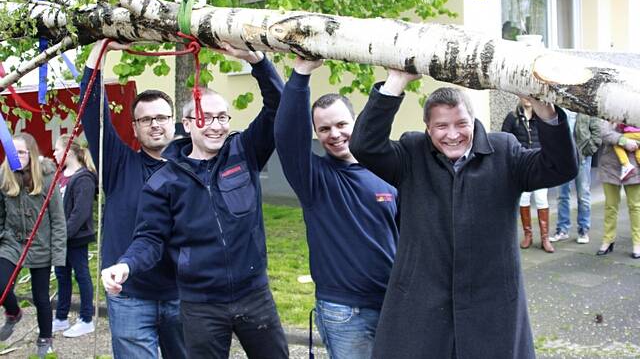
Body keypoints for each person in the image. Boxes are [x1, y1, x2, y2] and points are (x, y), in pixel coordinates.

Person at [349, 68, 578, 359]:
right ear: (428, 129)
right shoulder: (412, 153)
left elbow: (561, 167)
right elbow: (363, 146)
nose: (453, 134)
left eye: (461, 123)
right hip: (421, 307)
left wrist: (544, 109)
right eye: (442, 126)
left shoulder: (504, 151)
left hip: (492, 307)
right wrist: (396, 81)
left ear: (474, 121)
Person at [101, 44, 289, 359]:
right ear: (186, 124)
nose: (216, 126)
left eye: (222, 117)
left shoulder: (244, 152)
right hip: (200, 305)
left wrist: (258, 62)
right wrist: (126, 264)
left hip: (254, 294)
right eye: (205, 117)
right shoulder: (163, 180)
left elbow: (279, 105)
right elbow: (150, 237)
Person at [273, 57, 398, 359]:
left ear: (356, 123)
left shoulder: (390, 170)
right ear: (315, 133)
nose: (335, 134)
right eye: (324, 128)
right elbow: (288, 134)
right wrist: (301, 75)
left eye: (342, 124)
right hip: (346, 311)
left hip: (394, 303)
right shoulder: (314, 179)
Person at [81, 40, 186, 358]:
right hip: (129, 295)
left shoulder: (193, 171)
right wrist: (98, 54)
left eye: (162, 117)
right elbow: (91, 110)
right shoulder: (119, 164)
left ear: (173, 122)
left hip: (182, 294)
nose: (155, 124)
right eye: (146, 119)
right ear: (135, 127)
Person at [0, 133, 66, 357]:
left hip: (40, 245)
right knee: (2, 284)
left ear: (31, 154)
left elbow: (58, 220)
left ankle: (45, 337)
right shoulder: (3, 176)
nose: (16, 157)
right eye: (13, 152)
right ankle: (13, 312)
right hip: (11, 242)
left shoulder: (48, 177)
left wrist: (58, 257)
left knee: (40, 297)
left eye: (21, 152)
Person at [51, 134, 97, 337]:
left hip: (76, 238)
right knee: (62, 276)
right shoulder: (60, 174)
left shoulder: (84, 177)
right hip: (60, 238)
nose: (54, 153)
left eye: (57, 149)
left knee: (81, 275)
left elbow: (80, 213)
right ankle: (61, 317)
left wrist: (63, 234)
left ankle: (87, 319)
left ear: (68, 151)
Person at [501, 97, 554, 253]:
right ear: (519, 97)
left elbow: (550, 138)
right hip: (521, 165)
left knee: (541, 199)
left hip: (539, 164)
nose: (527, 99)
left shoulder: (540, 117)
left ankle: (545, 238)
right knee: (524, 199)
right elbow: (505, 138)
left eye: (530, 96)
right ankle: (528, 235)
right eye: (524, 96)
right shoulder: (513, 117)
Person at [550, 111, 602, 244]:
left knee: (583, 195)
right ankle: (562, 229)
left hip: (582, 157)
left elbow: (597, 132)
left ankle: (583, 230)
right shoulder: (559, 108)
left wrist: (588, 150)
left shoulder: (585, 108)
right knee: (562, 195)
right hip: (563, 158)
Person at [596, 121, 640, 259]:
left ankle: (637, 242)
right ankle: (608, 239)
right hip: (609, 165)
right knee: (610, 206)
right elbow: (603, 131)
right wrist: (623, 140)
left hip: (634, 166)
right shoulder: (609, 108)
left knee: (635, 206)